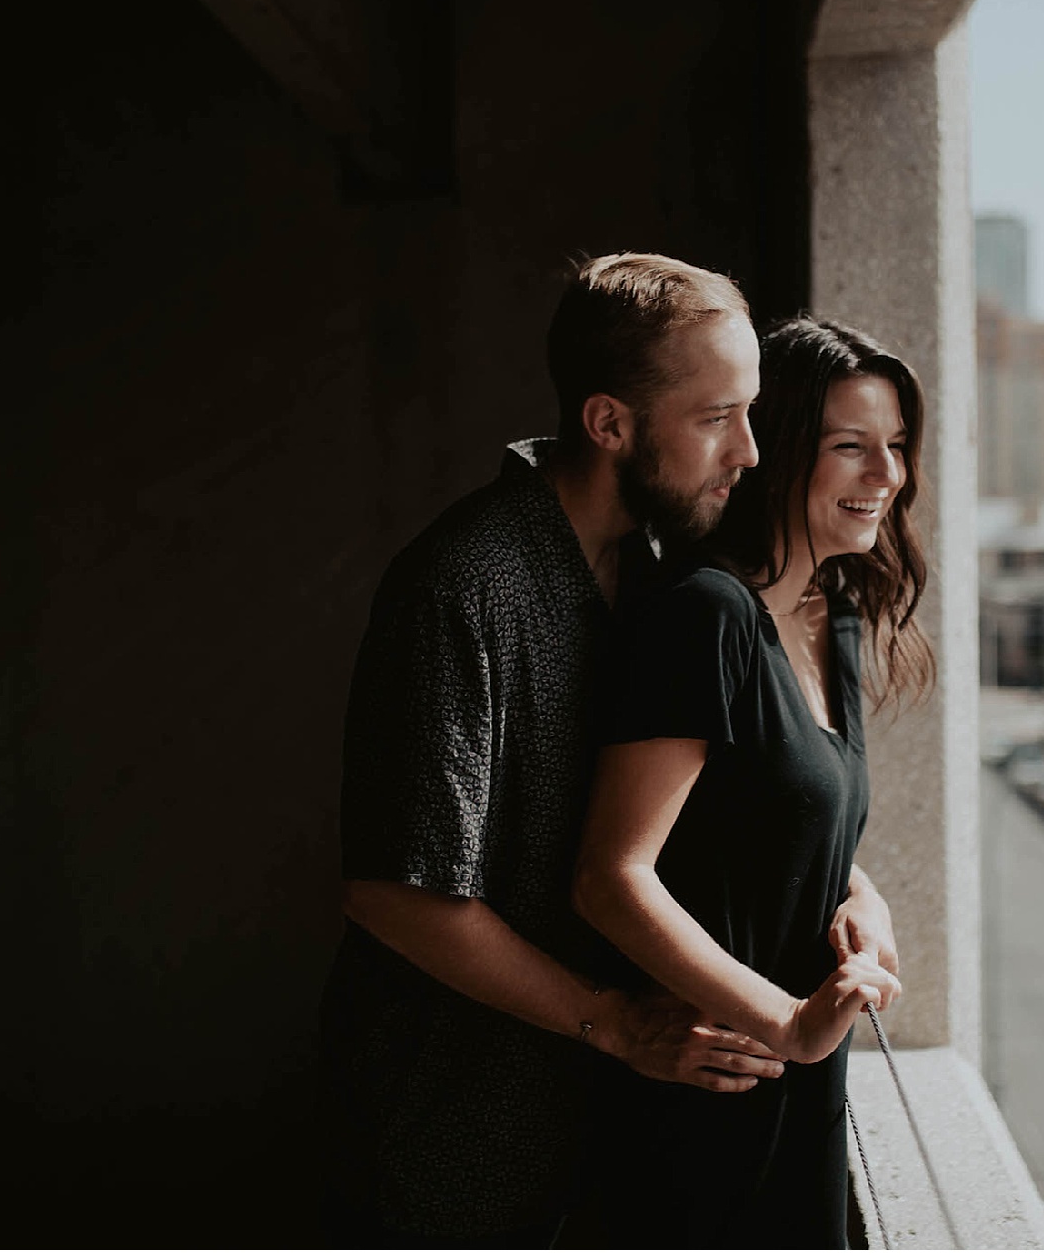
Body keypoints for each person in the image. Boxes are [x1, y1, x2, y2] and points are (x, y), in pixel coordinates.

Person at [323, 253, 797, 1247]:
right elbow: (393, 893)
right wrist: (612, 1022)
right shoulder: (461, 584)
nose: (748, 452)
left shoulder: (665, 576)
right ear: (608, 423)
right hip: (454, 1139)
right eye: (715, 418)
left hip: (611, 1137)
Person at [573, 315, 934, 1249]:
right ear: (775, 453)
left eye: (896, 447)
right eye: (850, 446)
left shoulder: (834, 618)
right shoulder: (705, 613)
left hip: (803, 1098)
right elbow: (612, 878)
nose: (886, 476)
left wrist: (862, 893)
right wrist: (789, 1024)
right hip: (708, 1101)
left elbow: (774, 812)